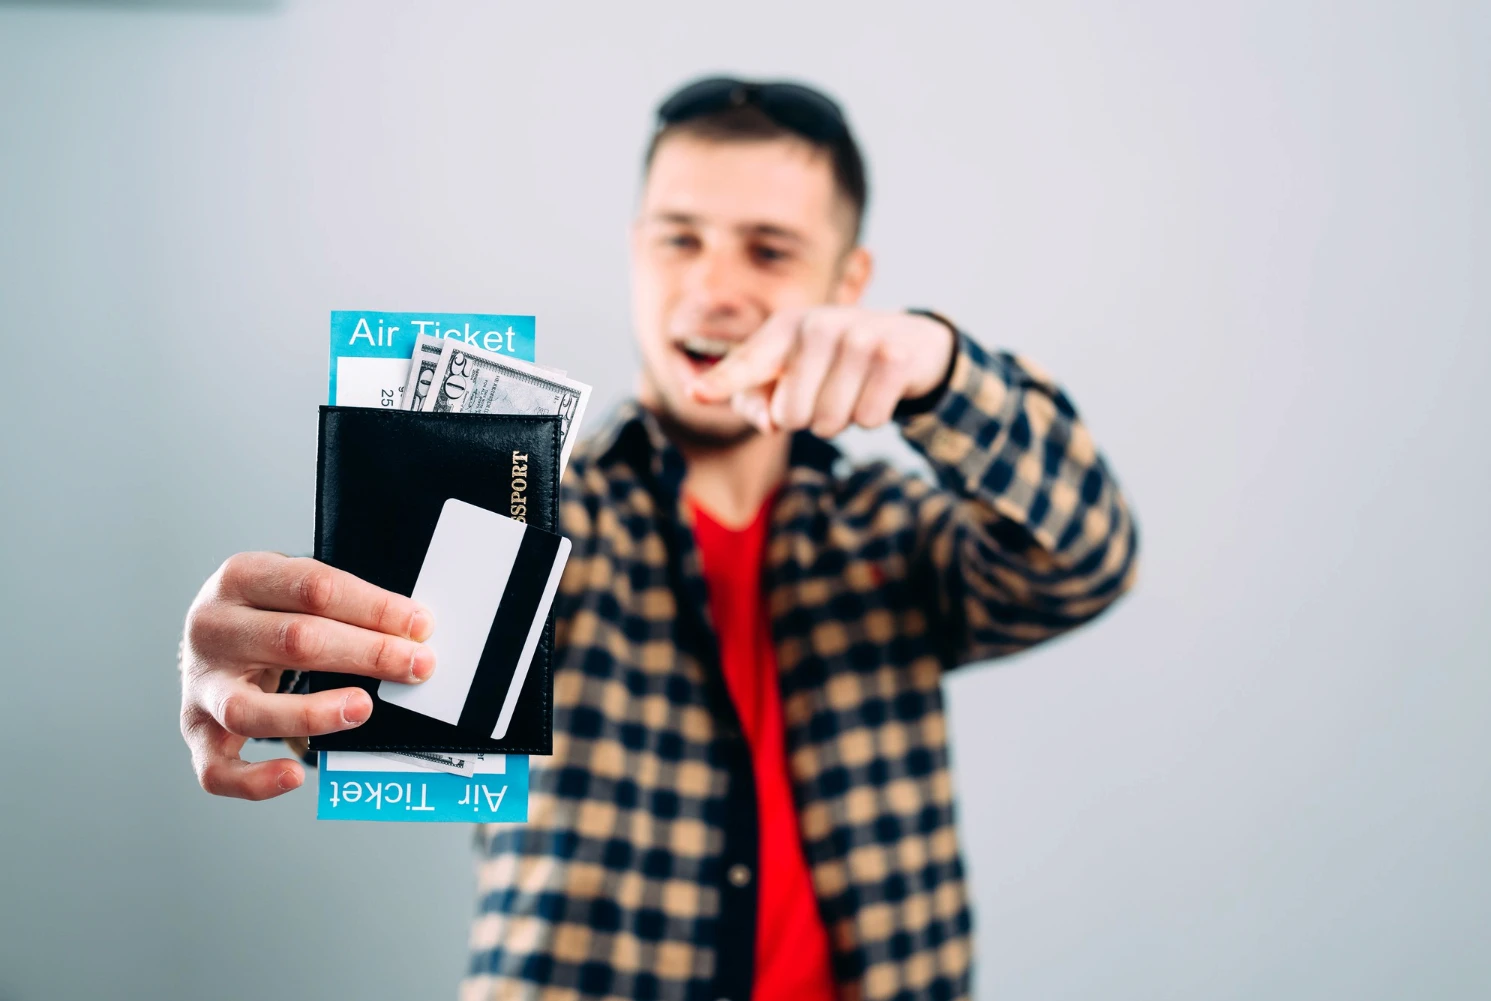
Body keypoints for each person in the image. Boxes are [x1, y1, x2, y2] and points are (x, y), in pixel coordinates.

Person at [178, 76, 1139, 1001]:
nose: (713, 287)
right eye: (681, 239)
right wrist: (271, 670)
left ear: (850, 285)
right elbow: (369, 677)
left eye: (769, 249)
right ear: (638, 249)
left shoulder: (892, 533)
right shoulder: (536, 519)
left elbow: (1088, 558)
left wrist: (941, 366)